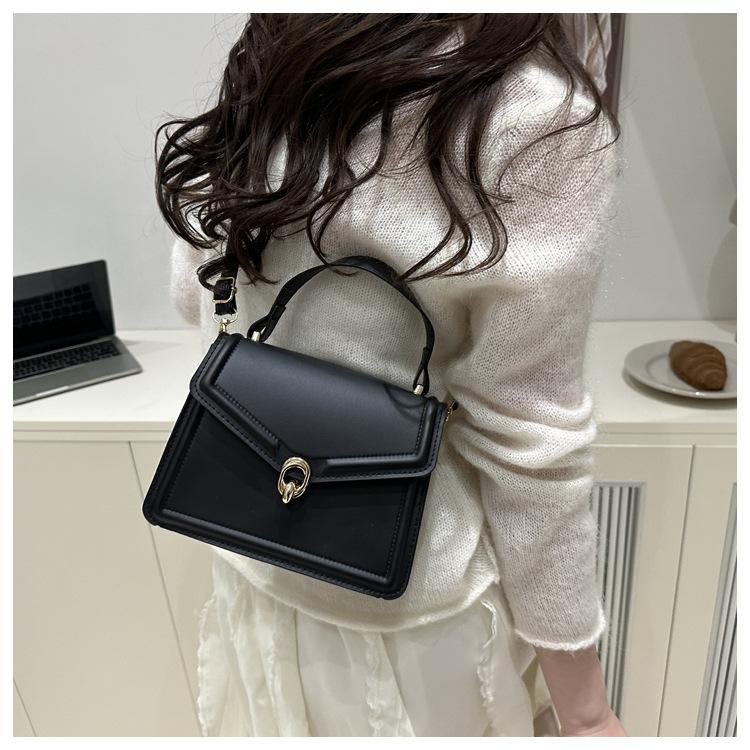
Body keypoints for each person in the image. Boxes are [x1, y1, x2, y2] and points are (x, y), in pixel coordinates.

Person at [157, 13, 627, 737]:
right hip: (414, 626)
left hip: (254, 559)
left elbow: (195, 292)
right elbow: (527, 439)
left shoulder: (288, 36)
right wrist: (587, 713)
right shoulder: (536, 114)